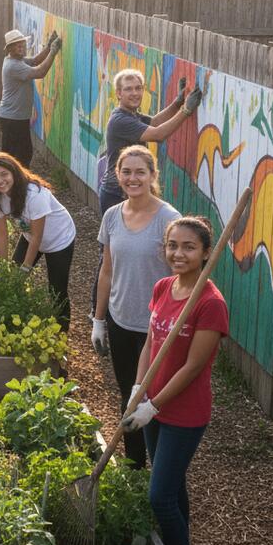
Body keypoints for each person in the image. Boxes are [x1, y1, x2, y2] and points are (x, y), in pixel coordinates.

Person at [122, 216, 229, 545]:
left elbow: (193, 366)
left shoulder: (211, 304)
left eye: (188, 247)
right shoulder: (163, 287)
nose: (178, 253)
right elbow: (151, 344)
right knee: (172, 485)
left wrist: (153, 405)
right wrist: (138, 388)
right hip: (152, 402)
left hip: (184, 413)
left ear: (205, 253)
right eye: (172, 246)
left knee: (159, 495)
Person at [92, 145, 180, 467]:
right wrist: (98, 319)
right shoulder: (112, 216)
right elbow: (106, 270)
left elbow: (180, 275)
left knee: (153, 398)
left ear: (153, 175)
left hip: (157, 327)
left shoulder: (168, 219)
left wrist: (175, 321)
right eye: (126, 172)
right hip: (120, 319)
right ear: (117, 175)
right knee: (127, 394)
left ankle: (159, 465)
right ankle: (134, 465)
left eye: (140, 172)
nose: (133, 178)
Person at [0, 151, 76, 332]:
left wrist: (26, 268)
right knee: (12, 278)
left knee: (57, 289)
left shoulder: (35, 194)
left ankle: (61, 333)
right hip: (30, 234)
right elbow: (1, 235)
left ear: (14, 172)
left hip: (59, 238)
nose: (0, 180)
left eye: (4, 174)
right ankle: (13, 323)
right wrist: (2, 267)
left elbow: (38, 237)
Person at [98, 69, 202, 217]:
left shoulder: (131, 115)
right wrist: (186, 110)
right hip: (117, 193)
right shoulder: (121, 120)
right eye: (128, 89)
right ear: (119, 93)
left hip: (128, 187)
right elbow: (158, 134)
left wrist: (177, 103)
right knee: (120, 239)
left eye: (138, 88)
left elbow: (155, 122)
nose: (135, 93)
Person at [0, 28, 62, 168]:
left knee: (19, 154)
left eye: (22, 43)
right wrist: (53, 51)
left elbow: (34, 61)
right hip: (12, 118)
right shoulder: (13, 66)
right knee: (18, 155)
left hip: (15, 117)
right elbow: (40, 71)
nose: (21, 47)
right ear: (9, 49)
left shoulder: (16, 60)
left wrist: (49, 46)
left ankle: (16, 181)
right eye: (17, 45)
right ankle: (15, 183)